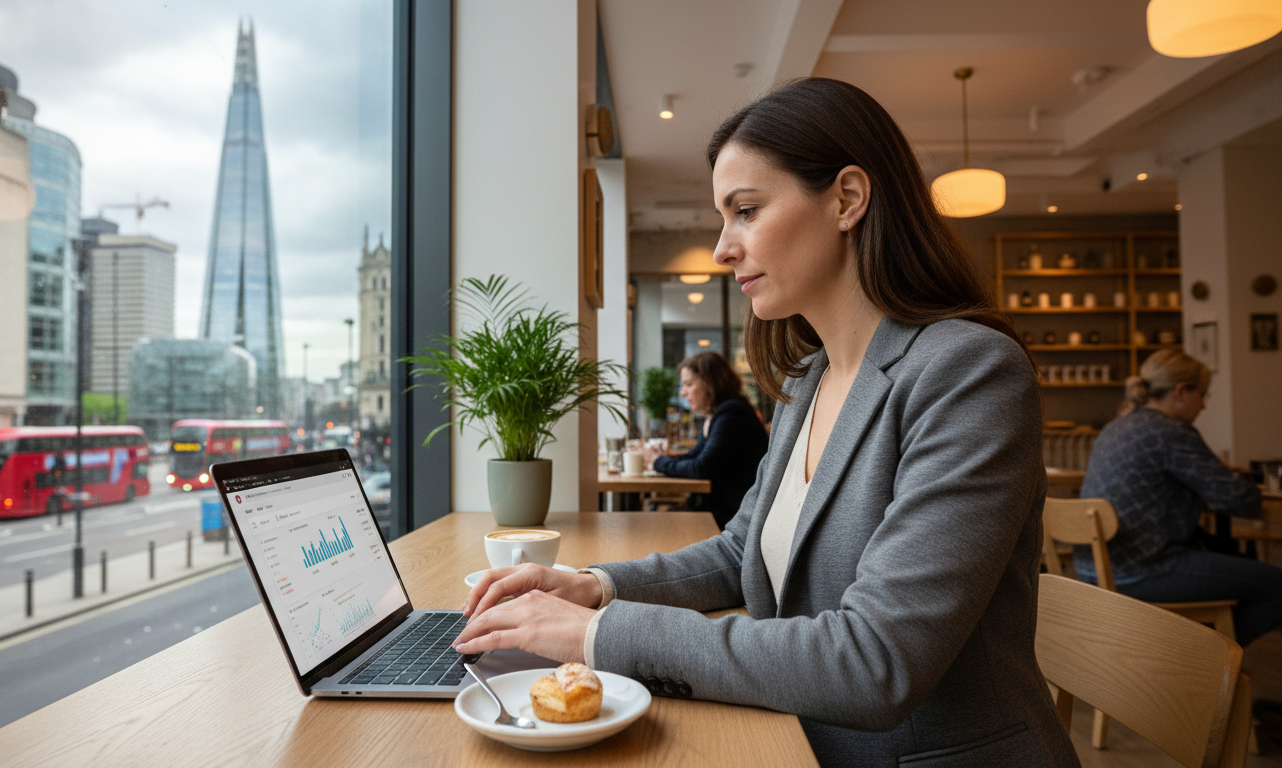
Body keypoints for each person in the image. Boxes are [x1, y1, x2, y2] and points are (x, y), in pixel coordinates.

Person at [453, 78, 1079, 767]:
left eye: (745, 210)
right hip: (801, 740)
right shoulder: (808, 381)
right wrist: (594, 586)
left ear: (847, 199)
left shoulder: (968, 372)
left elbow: (876, 662)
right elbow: (741, 551)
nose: (723, 249)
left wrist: (596, 635)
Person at [1078, 349, 1282, 647]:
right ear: (1180, 392)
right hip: (1144, 568)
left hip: (1094, 567)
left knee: (1236, 567)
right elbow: (1240, 500)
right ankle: (1204, 662)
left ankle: (1196, 657)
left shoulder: (1116, 427)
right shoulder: (1171, 432)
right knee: (1277, 585)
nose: (1203, 405)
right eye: (1202, 394)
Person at [640, 351, 767, 528]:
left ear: (711, 383)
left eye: (689, 384)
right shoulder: (718, 415)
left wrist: (657, 462)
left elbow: (701, 467)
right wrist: (661, 459)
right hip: (721, 510)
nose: (683, 392)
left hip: (734, 518)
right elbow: (694, 457)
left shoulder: (732, 414)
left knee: (656, 525)